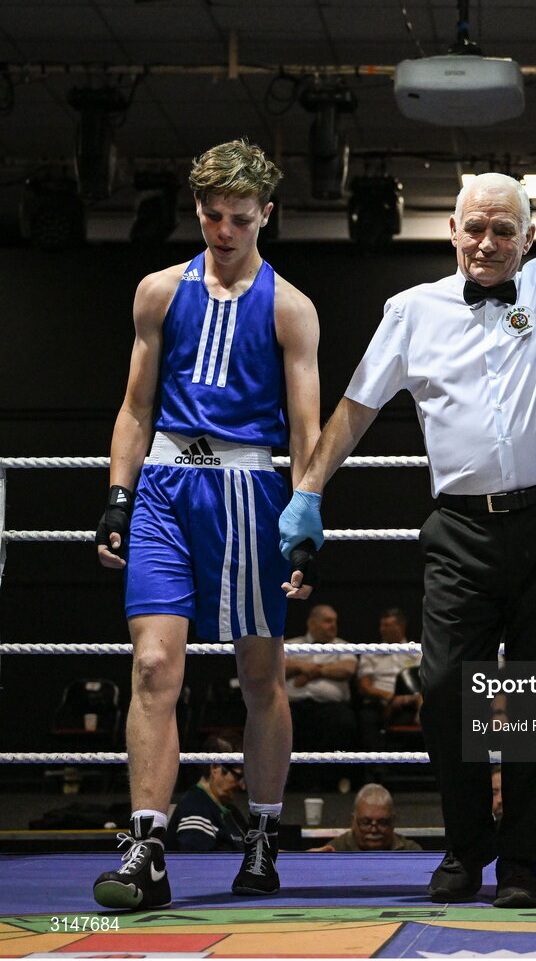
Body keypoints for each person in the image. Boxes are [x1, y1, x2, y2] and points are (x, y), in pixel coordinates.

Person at [278, 161, 536, 909]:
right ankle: (466, 846)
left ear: (530, 235)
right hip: (459, 530)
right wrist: (307, 493)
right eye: (474, 228)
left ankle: (522, 862)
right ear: (450, 230)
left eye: (503, 229)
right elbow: (354, 408)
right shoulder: (411, 309)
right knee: (447, 690)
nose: (487, 243)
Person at [92, 138, 321, 910]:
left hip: (251, 491)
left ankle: (261, 831)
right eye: (213, 216)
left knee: (259, 674)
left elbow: (305, 429)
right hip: (164, 487)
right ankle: (146, 849)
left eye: (239, 219)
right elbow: (134, 406)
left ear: (266, 215)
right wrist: (118, 497)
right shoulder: (159, 291)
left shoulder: (291, 308)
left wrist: (304, 518)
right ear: (200, 211)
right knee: (155, 666)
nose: (224, 231)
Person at [286, 603, 359, 790]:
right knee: (278, 724)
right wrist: (304, 667)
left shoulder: (343, 646)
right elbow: (276, 666)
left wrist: (309, 671)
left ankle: (331, 782)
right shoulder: (290, 645)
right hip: (293, 707)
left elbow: (347, 669)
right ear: (312, 624)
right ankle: (291, 783)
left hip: (330, 708)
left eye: (335, 621)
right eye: (328, 621)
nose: (333, 625)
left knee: (343, 722)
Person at [167, 732, 248, 852]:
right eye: (238, 776)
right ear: (215, 767)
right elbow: (194, 865)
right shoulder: (196, 810)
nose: (243, 787)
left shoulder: (232, 812)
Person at [356, 607, 422, 750]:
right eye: (381, 625)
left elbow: (425, 684)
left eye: (387, 625)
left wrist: (414, 701)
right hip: (378, 703)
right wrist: (389, 697)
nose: (382, 629)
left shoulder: (417, 652)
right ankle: (377, 768)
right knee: (367, 719)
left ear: (401, 626)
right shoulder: (371, 652)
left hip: (409, 704)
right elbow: (364, 685)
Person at [307, 784, 422, 852]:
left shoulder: (411, 851)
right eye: (366, 822)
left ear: (393, 821)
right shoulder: (336, 850)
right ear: (353, 820)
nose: (374, 829)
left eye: (382, 822)